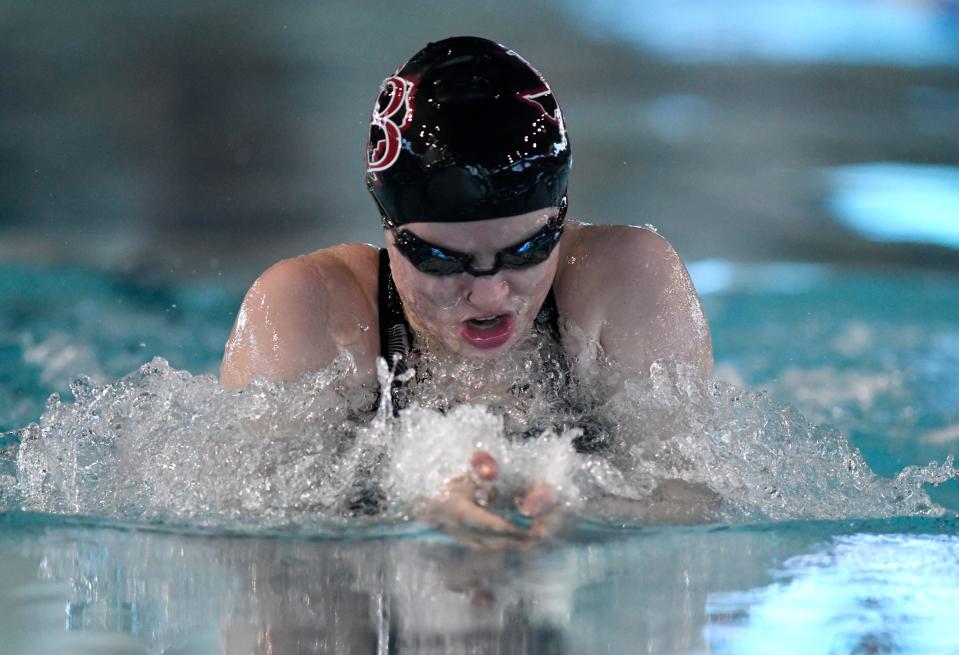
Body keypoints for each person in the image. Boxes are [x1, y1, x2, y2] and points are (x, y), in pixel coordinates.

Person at [220, 36, 713, 537]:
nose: (490, 296)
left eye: (527, 250)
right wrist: (412, 508)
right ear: (388, 228)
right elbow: (252, 542)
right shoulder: (310, 308)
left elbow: (692, 507)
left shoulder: (626, 279)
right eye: (441, 260)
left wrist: (584, 511)